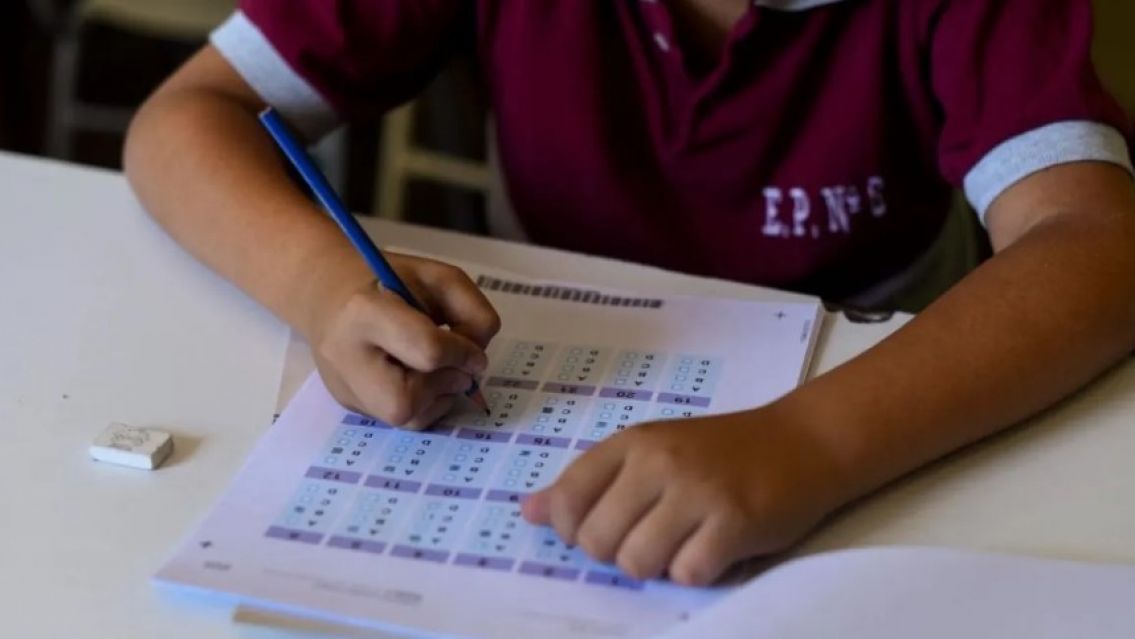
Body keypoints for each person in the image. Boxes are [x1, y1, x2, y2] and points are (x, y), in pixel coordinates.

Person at [123, 0, 1135, 587]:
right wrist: (319, 281)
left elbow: (1097, 242)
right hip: (549, 375)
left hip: (885, 393)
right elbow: (187, 117)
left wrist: (810, 444)